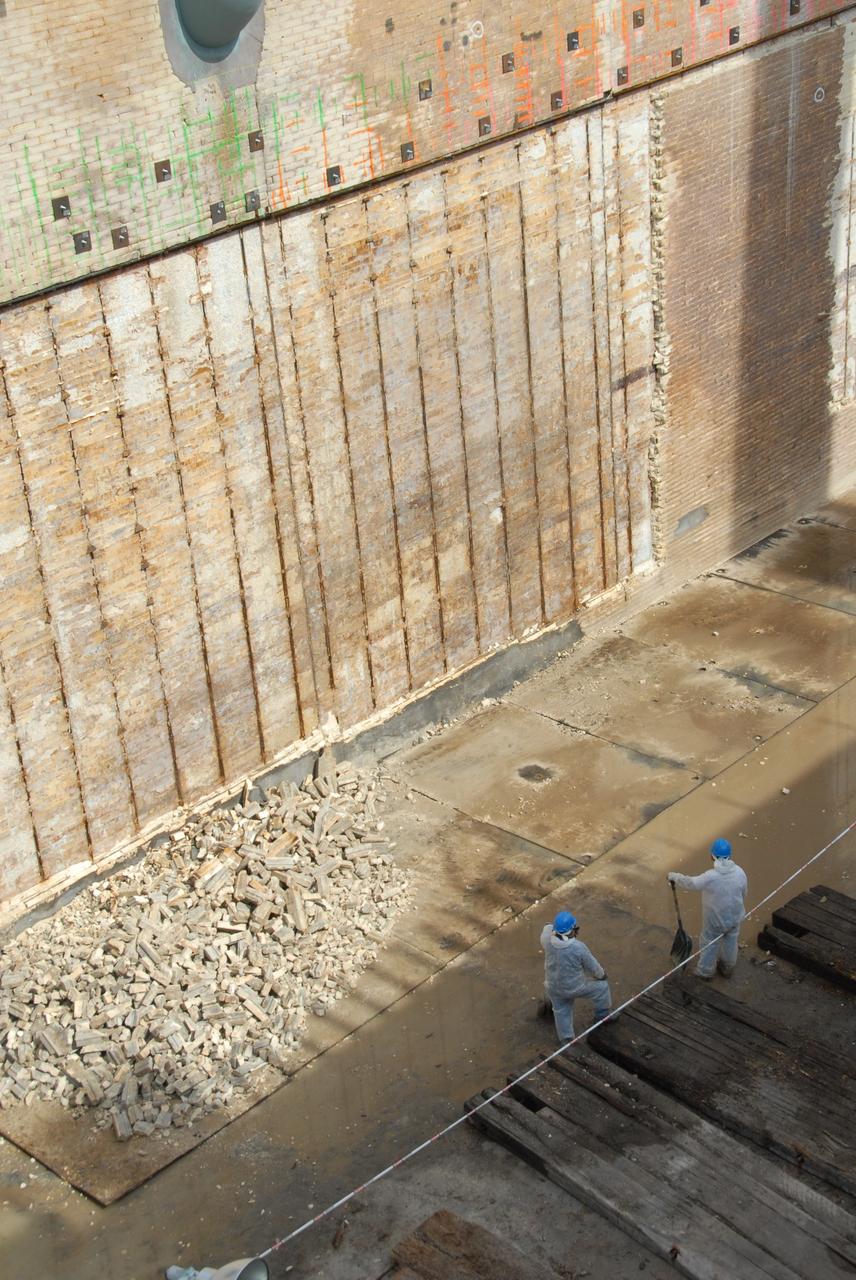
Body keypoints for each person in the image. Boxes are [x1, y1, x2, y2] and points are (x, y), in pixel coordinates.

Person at [668, 838, 748, 978]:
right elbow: (744, 893)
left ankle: (705, 971)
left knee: (709, 943)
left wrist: (675, 877)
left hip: (715, 921)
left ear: (712, 856)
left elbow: (691, 883)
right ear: (730, 855)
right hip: (735, 918)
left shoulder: (710, 877)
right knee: (731, 941)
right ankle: (727, 967)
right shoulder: (740, 872)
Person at [540, 910, 612, 1042]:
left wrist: (549, 926)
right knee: (602, 988)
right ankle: (603, 1016)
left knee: (561, 1012)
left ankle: (566, 1040)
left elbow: (547, 928)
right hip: (575, 986)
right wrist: (601, 975)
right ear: (572, 931)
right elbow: (592, 965)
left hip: (553, 987)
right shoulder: (578, 948)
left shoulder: (547, 940)